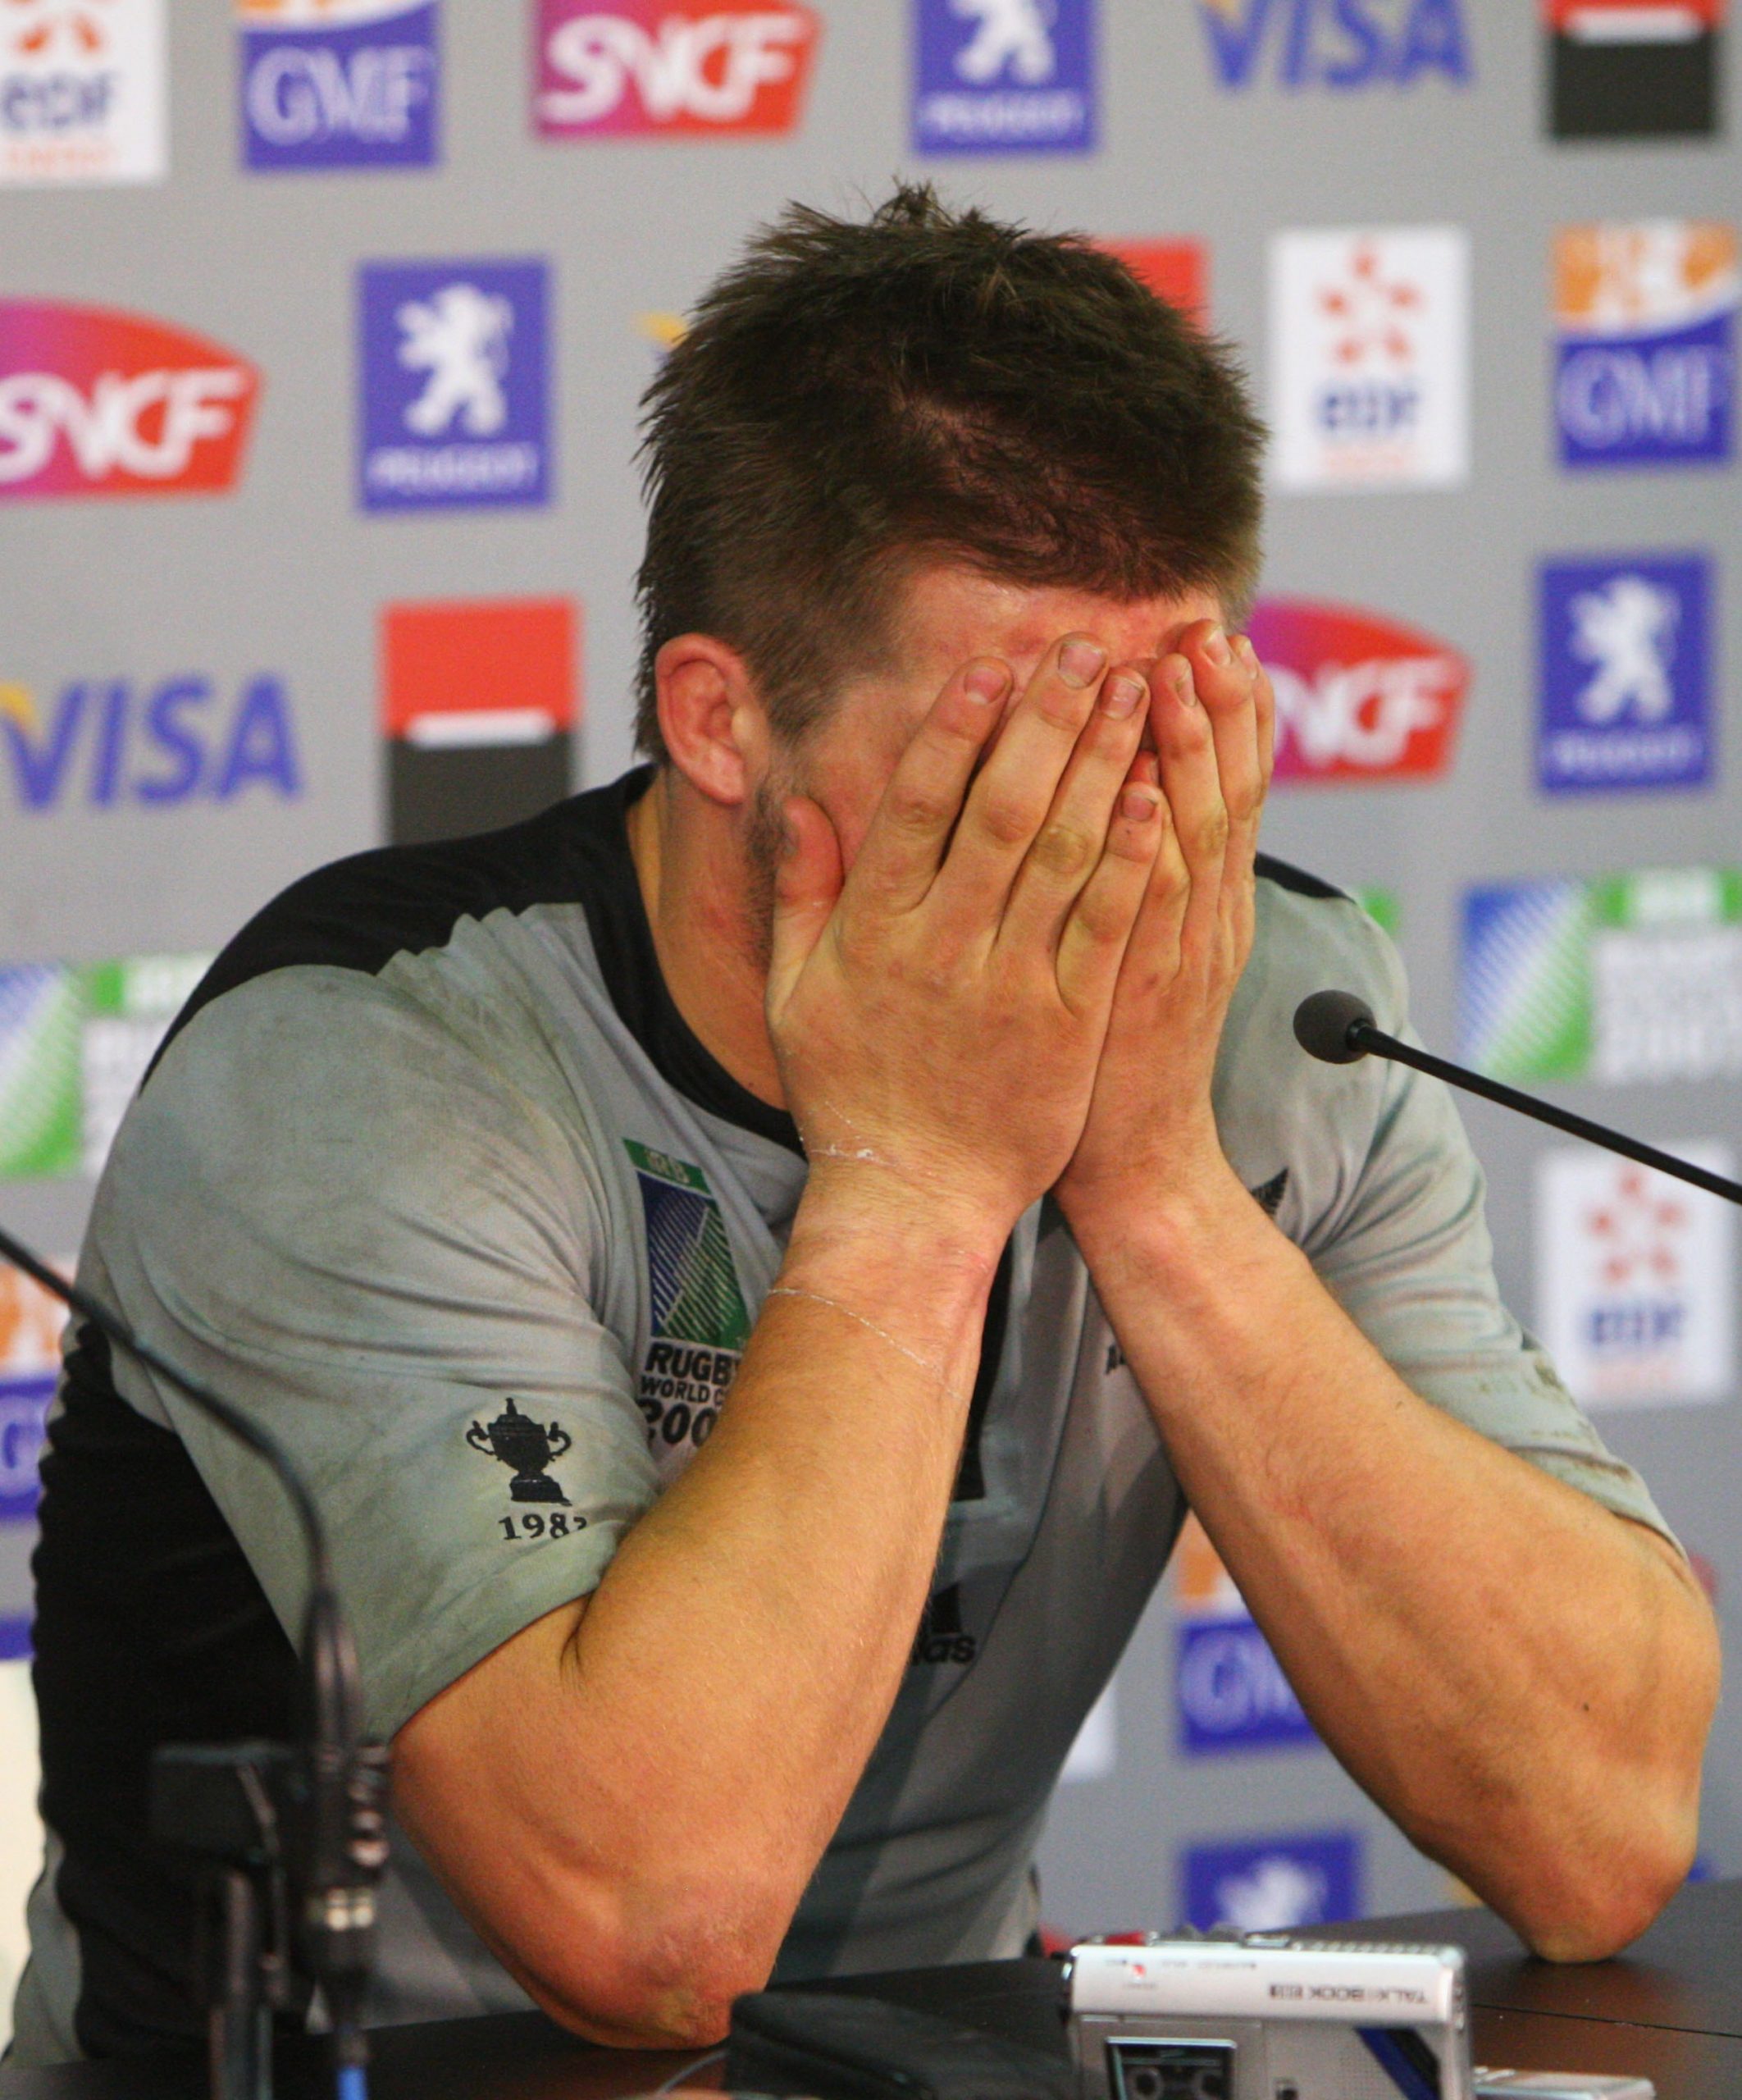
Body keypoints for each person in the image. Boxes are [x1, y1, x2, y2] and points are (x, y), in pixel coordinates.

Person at [11, 186, 1717, 2066]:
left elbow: (1600, 1828)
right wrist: (917, 1181)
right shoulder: (363, 1058)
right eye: (1012, 755)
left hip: (920, 2054)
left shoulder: (1273, 1014)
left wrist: (1153, 1177)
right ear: (722, 720)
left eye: (1172, 735)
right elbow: (647, 1929)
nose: (1108, 834)